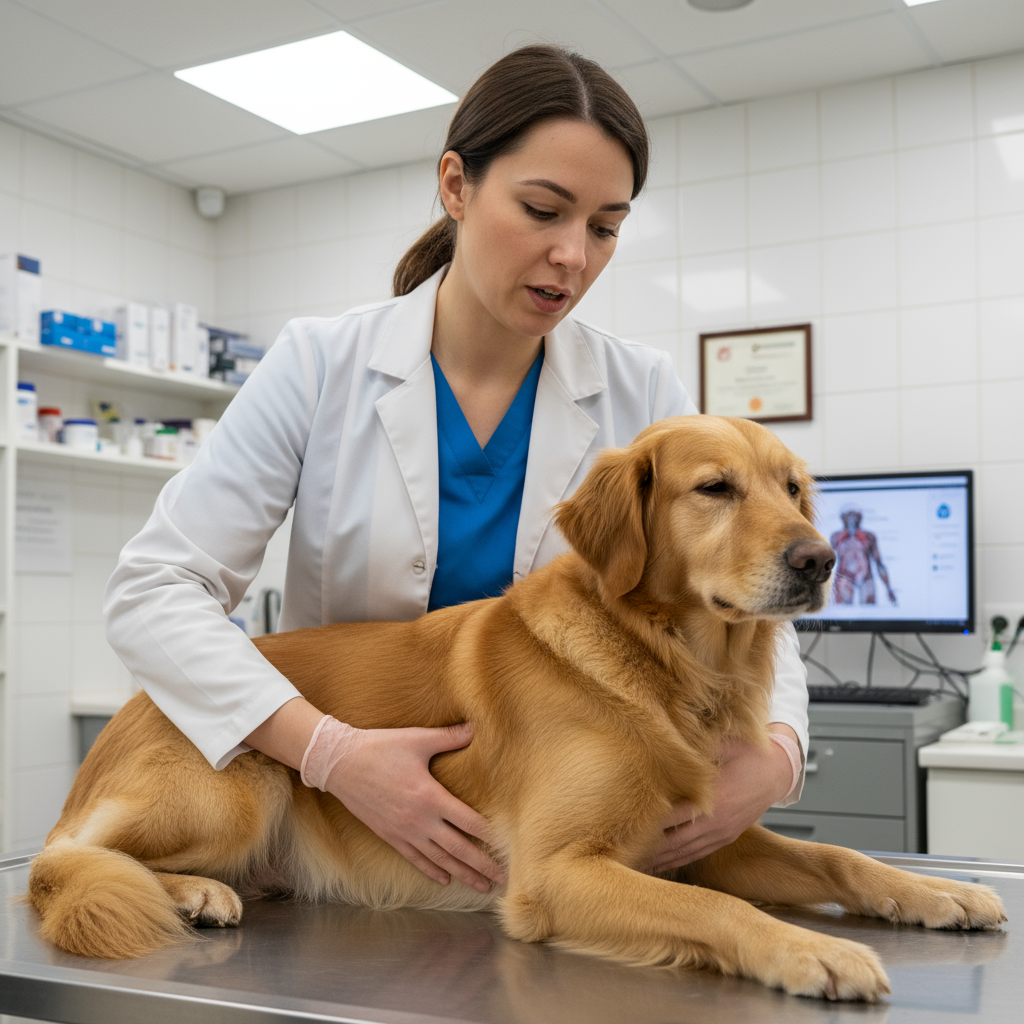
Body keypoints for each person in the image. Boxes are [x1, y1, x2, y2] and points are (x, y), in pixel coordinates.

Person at [105, 44, 809, 898]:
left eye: (604, 227)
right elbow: (155, 590)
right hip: (339, 840)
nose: (572, 257)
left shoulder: (642, 389)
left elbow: (737, 592)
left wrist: (777, 755)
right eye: (543, 210)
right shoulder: (320, 364)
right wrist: (329, 753)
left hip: (532, 833)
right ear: (455, 186)